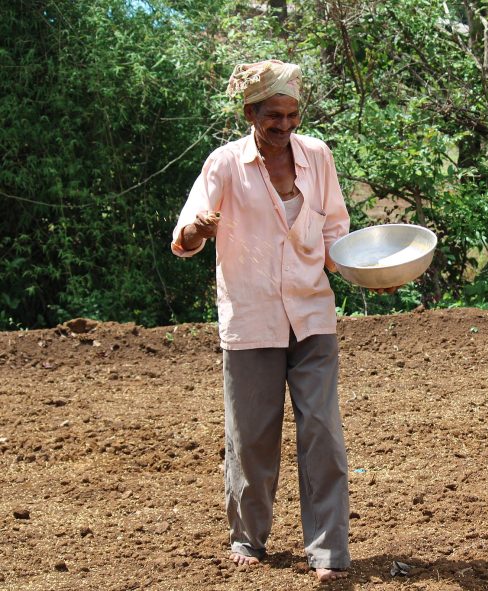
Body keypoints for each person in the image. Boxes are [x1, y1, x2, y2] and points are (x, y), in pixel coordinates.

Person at [170, 60, 374, 582]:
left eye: (291, 115)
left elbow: (334, 231)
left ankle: (328, 550)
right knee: (252, 435)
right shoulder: (224, 165)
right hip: (252, 317)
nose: (284, 126)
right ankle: (248, 536)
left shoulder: (318, 157)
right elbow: (184, 240)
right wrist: (197, 229)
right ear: (250, 113)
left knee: (323, 431)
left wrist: (368, 275)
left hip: (311, 314)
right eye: (273, 116)